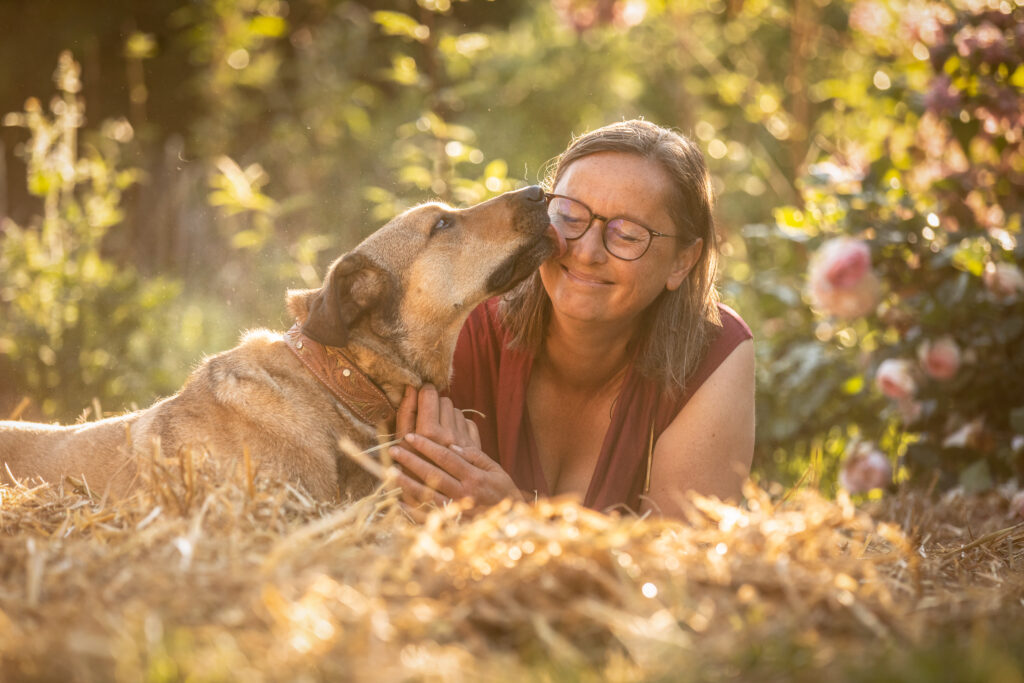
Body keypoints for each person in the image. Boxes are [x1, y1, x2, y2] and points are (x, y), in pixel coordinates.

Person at [388, 119, 754, 519]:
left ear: (682, 261)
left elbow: (681, 563)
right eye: (570, 216)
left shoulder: (716, 353)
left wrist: (511, 517)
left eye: (627, 235)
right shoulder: (465, 322)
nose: (586, 251)